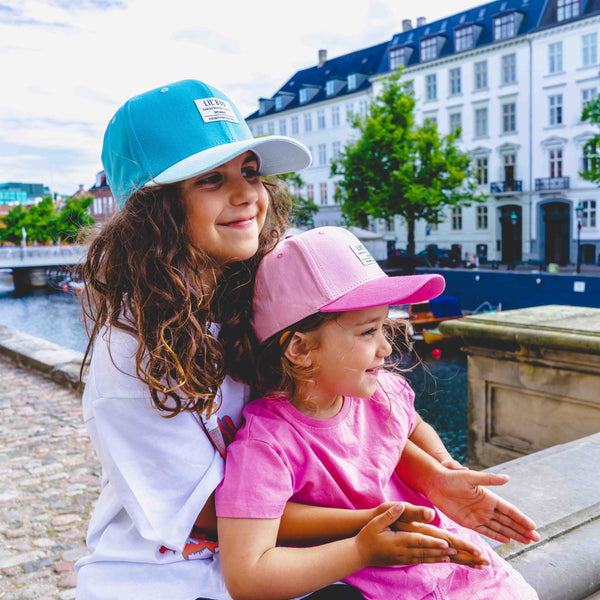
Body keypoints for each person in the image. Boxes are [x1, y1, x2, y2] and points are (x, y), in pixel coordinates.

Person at [75, 80, 473, 600]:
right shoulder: (128, 355)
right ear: (155, 212)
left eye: (250, 172)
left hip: (291, 560)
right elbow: (212, 513)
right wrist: (381, 519)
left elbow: (361, 406)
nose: (247, 195)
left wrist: (436, 476)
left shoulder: (263, 286)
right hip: (169, 578)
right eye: (212, 180)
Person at [215, 226, 540, 600]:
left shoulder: (381, 393)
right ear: (301, 349)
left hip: (465, 573)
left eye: (384, 326)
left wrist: (444, 467)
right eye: (368, 331)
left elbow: (413, 426)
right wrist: (360, 551)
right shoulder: (268, 445)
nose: (387, 347)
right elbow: (246, 575)